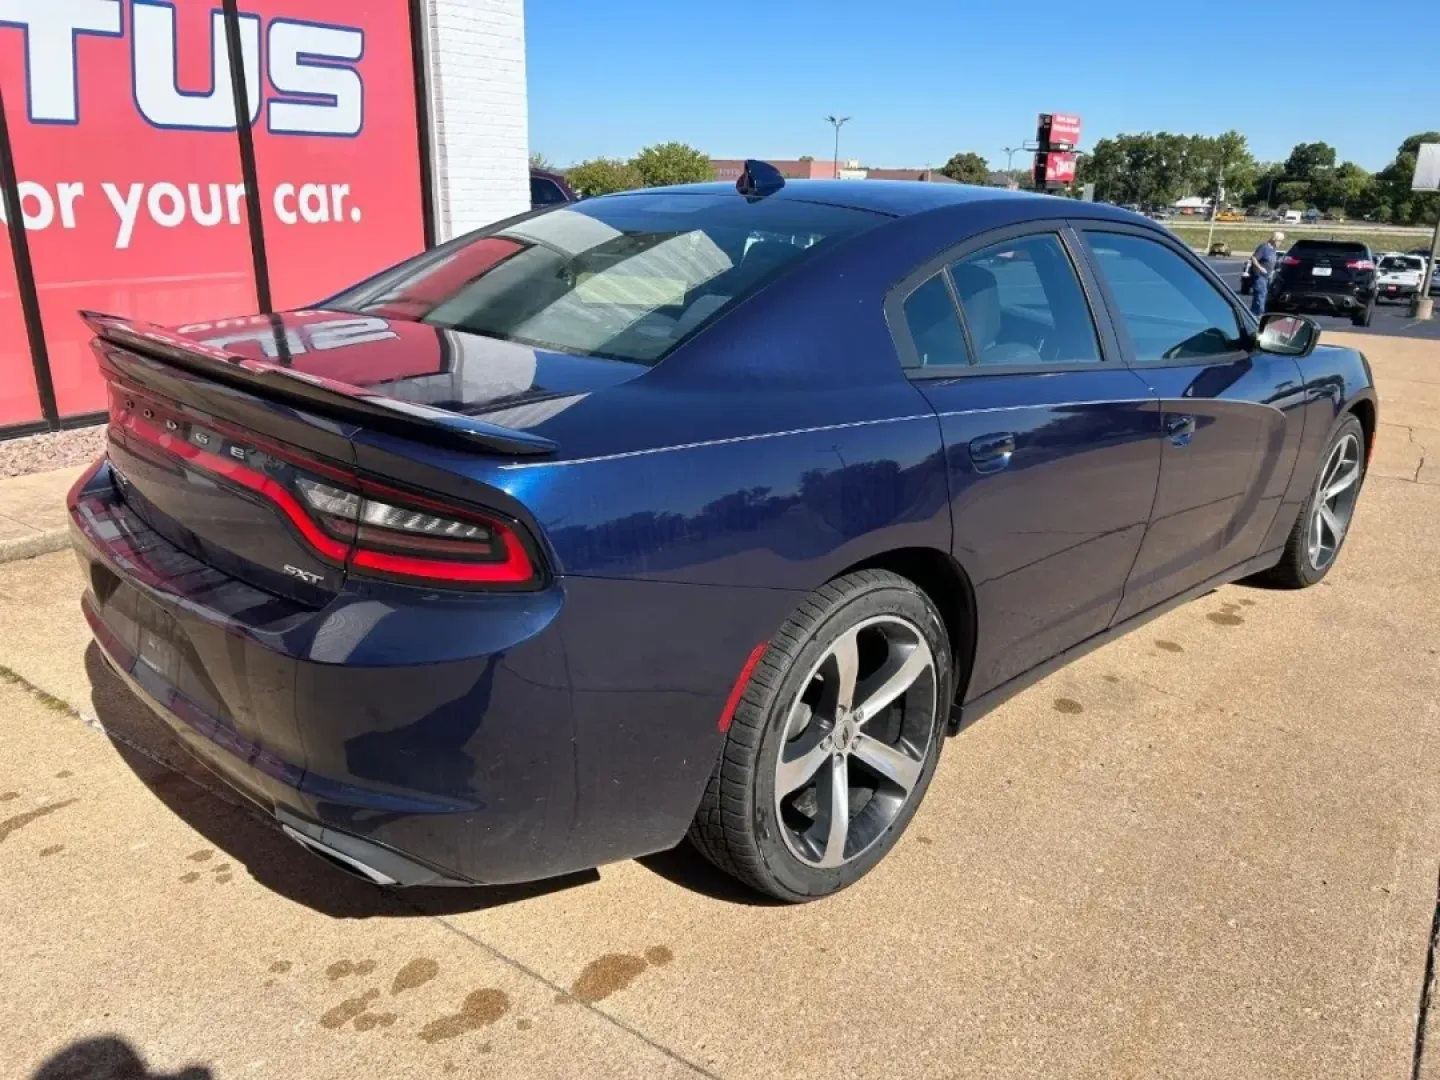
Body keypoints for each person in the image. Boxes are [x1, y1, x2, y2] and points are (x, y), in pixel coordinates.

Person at [1249, 230, 1284, 316]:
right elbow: (1254, 258)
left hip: (1266, 277)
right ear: (1274, 239)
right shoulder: (1264, 247)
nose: (1280, 243)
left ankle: (1252, 315)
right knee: (1261, 295)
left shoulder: (1273, 249)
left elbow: (1271, 261)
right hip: (1259, 276)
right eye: (1279, 241)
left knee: (1259, 296)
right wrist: (1260, 268)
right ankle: (1260, 315)